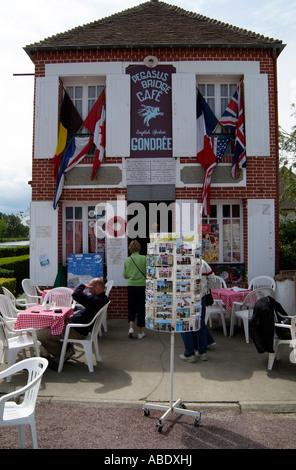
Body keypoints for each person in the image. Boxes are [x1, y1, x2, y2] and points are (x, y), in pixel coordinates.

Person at [37, 277, 109, 370]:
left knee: (40, 335)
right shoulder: (101, 299)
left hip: (75, 330)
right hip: (77, 327)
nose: (89, 290)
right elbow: (86, 313)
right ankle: (54, 352)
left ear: (98, 288)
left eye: (91, 288)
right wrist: (73, 317)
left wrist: (83, 286)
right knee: (46, 327)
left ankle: (63, 353)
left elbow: (76, 294)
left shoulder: (96, 300)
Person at [180, 259, 216, 363]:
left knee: (185, 324)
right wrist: (204, 290)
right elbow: (212, 279)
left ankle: (189, 354)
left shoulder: (180, 262)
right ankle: (202, 353)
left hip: (184, 298)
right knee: (200, 324)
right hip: (200, 297)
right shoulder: (203, 263)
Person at [123, 240, 146, 339]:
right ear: (139, 248)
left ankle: (131, 327)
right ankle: (140, 332)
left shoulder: (127, 260)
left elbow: (125, 275)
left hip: (131, 286)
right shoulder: (144, 258)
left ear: (130, 248)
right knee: (141, 308)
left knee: (131, 307)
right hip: (142, 286)